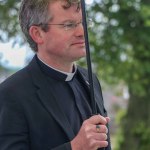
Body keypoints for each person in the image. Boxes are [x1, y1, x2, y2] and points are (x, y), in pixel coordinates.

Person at [0, 0, 111, 150]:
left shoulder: (91, 80)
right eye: (68, 25)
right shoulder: (11, 94)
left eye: (83, 22)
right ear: (37, 34)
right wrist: (75, 147)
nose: (81, 32)